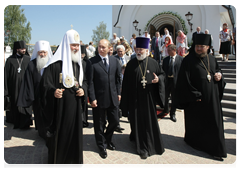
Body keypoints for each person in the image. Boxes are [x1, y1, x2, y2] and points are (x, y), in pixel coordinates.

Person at [175, 34, 227, 161]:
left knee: (214, 124)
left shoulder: (212, 59)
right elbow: (183, 80)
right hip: (196, 101)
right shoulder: (188, 60)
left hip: (212, 100)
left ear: (208, 47)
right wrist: (194, 95)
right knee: (196, 124)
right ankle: (194, 142)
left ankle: (216, 149)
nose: (198, 49)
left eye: (201, 47)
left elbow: (218, 71)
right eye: (197, 46)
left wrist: (220, 76)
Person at [40, 29, 87, 168]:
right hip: (59, 109)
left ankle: (73, 160)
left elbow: (84, 82)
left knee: (74, 135)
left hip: (75, 108)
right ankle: (59, 162)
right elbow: (44, 85)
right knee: (61, 135)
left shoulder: (79, 64)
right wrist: (53, 92)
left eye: (77, 45)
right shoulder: (54, 65)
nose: (76, 48)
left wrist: (83, 89)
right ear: (66, 44)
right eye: (73, 45)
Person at [120, 37, 165, 159]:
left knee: (149, 122)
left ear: (147, 50)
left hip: (149, 99)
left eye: (142, 49)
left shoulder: (153, 62)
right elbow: (126, 84)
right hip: (135, 99)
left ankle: (148, 144)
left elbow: (162, 75)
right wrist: (125, 100)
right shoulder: (131, 64)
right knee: (136, 122)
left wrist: (158, 80)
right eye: (137, 49)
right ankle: (140, 144)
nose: (139, 51)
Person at [88, 39, 122, 159]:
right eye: (99, 47)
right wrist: (92, 98)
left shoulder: (115, 61)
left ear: (109, 48)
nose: (100, 49)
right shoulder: (92, 62)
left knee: (115, 120)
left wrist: (119, 92)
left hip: (113, 98)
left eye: (103, 47)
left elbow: (118, 79)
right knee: (99, 124)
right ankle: (101, 145)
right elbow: (90, 82)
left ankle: (107, 138)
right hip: (99, 99)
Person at [17, 40, 52, 138]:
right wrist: (30, 96)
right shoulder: (32, 64)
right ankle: (41, 132)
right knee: (39, 114)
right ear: (37, 52)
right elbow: (28, 81)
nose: (43, 54)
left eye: (45, 52)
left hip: (49, 94)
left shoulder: (52, 64)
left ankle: (49, 131)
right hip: (37, 95)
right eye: (40, 52)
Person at [4, 40, 33, 129]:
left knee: (25, 104)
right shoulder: (10, 60)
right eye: (22, 48)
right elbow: (5, 76)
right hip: (13, 87)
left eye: (25, 48)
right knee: (14, 103)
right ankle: (14, 120)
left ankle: (25, 122)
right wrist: (5, 90)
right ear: (17, 49)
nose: (24, 50)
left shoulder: (28, 59)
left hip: (26, 87)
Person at [158, 44, 183, 122]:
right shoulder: (165, 60)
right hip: (167, 81)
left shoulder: (181, 59)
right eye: (167, 50)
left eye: (169, 50)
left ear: (174, 50)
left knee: (174, 98)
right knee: (165, 97)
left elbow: (183, 72)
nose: (167, 52)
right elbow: (162, 71)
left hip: (175, 82)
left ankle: (172, 113)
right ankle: (165, 110)